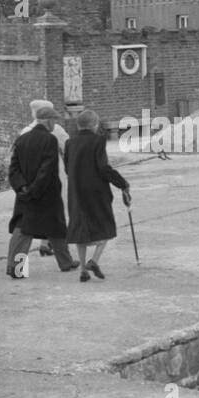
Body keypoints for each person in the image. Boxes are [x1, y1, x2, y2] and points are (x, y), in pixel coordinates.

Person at [6, 104, 75, 277]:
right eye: (54, 120)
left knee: (23, 231)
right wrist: (35, 190)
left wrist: (22, 188)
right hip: (46, 194)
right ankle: (65, 263)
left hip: (25, 194)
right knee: (56, 229)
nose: (55, 124)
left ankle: (17, 269)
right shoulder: (50, 140)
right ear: (48, 121)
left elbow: (13, 169)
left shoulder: (22, 139)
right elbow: (47, 169)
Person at [65, 109, 131, 281]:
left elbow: (67, 168)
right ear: (94, 125)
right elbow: (103, 168)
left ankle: (82, 271)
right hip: (95, 192)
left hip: (76, 192)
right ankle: (94, 261)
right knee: (106, 228)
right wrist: (122, 183)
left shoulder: (70, 143)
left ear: (79, 125)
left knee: (81, 230)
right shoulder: (98, 141)